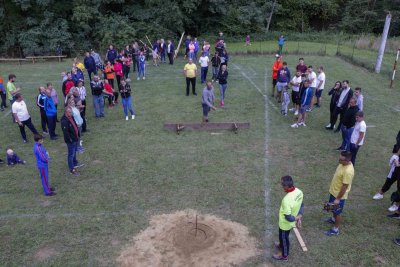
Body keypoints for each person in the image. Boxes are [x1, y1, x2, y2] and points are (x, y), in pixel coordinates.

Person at [272, 175, 304, 261]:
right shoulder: (299, 192)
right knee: (281, 236)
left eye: (282, 185)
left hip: (285, 224)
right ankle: (281, 245)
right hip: (290, 222)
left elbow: (288, 218)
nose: (282, 186)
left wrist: (297, 218)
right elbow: (301, 204)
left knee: (284, 238)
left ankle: (284, 256)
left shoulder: (286, 200)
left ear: (286, 186)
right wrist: (299, 216)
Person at [324, 151, 354, 236]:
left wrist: (338, 199)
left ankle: (335, 229)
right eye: (339, 158)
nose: (339, 161)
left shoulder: (348, 171)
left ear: (347, 160)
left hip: (339, 195)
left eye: (341, 160)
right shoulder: (342, 164)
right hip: (334, 191)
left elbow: (344, 187)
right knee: (332, 208)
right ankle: (333, 219)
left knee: (338, 212)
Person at [61, 107, 82, 176]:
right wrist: (70, 140)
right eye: (69, 112)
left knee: (74, 151)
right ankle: (71, 169)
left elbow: (74, 125)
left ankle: (75, 162)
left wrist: (77, 134)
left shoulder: (71, 117)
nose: (71, 113)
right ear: (66, 112)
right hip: (71, 140)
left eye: (71, 112)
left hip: (75, 138)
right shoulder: (64, 121)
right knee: (71, 154)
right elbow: (65, 132)